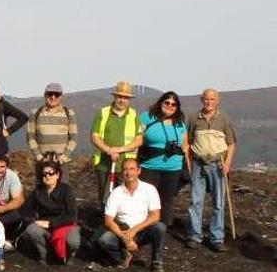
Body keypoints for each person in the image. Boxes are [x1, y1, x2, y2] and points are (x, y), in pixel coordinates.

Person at [186, 88, 237, 252]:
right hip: (198, 164)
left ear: (217, 101)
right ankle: (195, 236)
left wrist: (228, 163)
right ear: (202, 100)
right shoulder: (194, 118)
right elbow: (187, 141)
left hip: (218, 164)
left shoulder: (224, 119)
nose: (209, 102)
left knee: (218, 203)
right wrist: (189, 162)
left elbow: (231, 144)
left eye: (212, 99)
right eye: (206, 99)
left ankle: (217, 238)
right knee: (196, 202)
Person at [95, 159, 166, 272]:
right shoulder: (116, 192)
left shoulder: (149, 189)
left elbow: (155, 216)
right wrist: (125, 237)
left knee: (160, 227)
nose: (128, 172)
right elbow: (108, 220)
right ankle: (122, 258)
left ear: (139, 171)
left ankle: (157, 262)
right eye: (125, 169)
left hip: (142, 230)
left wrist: (135, 230)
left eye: (132, 169)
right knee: (104, 240)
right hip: (123, 231)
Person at [138, 91, 188, 230]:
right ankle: (142, 229)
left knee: (167, 200)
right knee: (146, 199)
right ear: (161, 102)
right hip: (149, 166)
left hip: (173, 168)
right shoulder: (146, 117)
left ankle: (161, 231)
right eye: (167, 102)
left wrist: (186, 164)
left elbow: (185, 145)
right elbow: (138, 138)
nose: (170, 106)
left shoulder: (180, 123)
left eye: (174, 104)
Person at [90, 81, 143, 209]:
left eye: (125, 98)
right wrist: (108, 150)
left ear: (129, 99)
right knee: (105, 195)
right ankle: (105, 221)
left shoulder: (134, 115)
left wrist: (119, 150)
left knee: (124, 195)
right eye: (119, 96)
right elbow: (94, 137)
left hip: (125, 164)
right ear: (114, 97)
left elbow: (138, 140)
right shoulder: (103, 113)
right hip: (104, 163)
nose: (122, 100)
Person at [16, 161, 80, 265]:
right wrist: (34, 220)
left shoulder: (66, 190)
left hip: (65, 224)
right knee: (32, 229)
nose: (47, 176)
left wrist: (52, 224)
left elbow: (72, 216)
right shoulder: (38, 191)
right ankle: (45, 254)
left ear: (57, 175)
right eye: (44, 174)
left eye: (51, 173)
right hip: (44, 224)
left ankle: (68, 255)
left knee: (73, 242)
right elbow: (25, 210)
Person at [27, 83, 78, 170]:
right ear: (45, 95)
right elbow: (30, 137)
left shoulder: (69, 113)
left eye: (56, 94)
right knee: (42, 183)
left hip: (61, 162)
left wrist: (64, 157)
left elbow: (73, 138)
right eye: (50, 94)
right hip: (42, 161)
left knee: (62, 184)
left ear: (61, 97)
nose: (53, 97)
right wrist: (39, 157)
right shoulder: (35, 113)